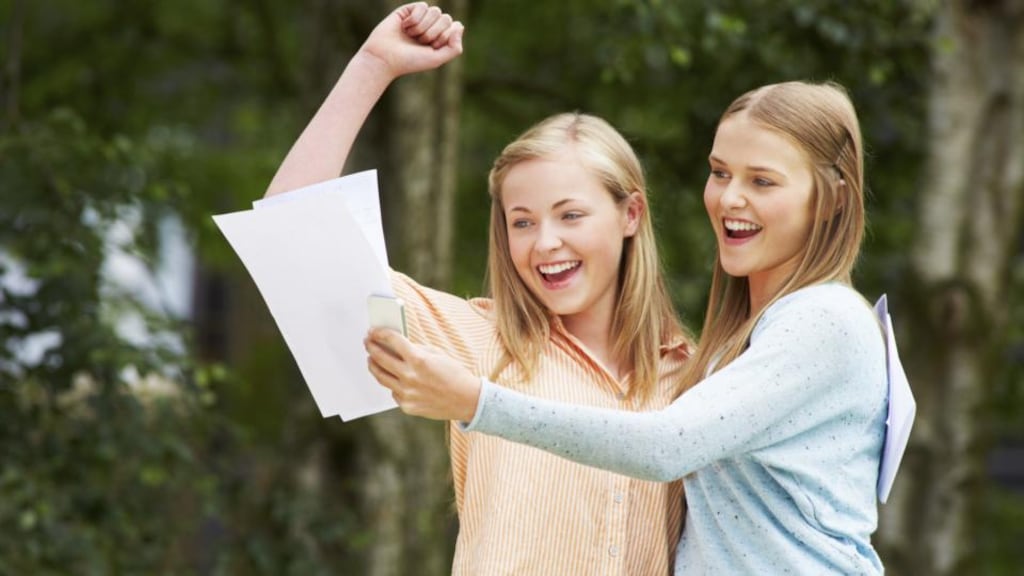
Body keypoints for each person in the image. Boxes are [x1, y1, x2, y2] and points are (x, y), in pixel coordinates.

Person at [367, 80, 890, 574]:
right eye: (719, 173)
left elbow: (666, 446)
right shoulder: (725, 354)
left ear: (834, 199)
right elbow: (320, 255)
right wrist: (375, 67)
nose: (730, 198)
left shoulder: (824, 320)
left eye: (762, 181)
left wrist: (477, 403)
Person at [265, 3, 694, 574]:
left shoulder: (694, 376)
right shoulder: (481, 340)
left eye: (570, 215)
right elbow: (291, 238)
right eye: (523, 221)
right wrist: (373, 64)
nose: (545, 243)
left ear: (630, 214)